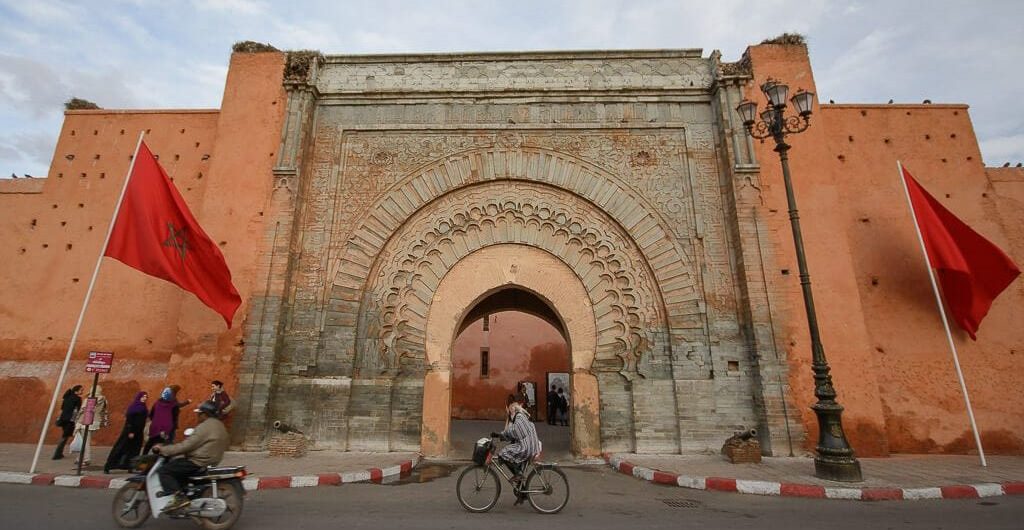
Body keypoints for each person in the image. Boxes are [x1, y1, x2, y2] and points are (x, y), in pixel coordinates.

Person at [152, 400, 230, 512]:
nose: (198, 416)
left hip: (198, 461)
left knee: (165, 470)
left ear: (205, 414)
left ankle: (179, 498)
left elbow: (186, 446)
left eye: (199, 413)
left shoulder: (205, 427)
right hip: (211, 460)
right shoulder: (219, 425)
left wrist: (164, 449)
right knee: (178, 466)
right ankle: (186, 494)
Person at [490, 394, 541, 505]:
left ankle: (518, 475)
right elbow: (514, 432)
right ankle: (521, 490)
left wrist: (502, 435)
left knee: (504, 453)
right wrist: (502, 436)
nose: (509, 409)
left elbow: (516, 431)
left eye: (509, 407)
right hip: (528, 444)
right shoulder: (519, 415)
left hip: (527, 446)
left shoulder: (519, 415)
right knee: (510, 455)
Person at [104, 391, 149, 473]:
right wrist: (131, 432)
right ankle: (109, 465)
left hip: (139, 432)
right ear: (139, 397)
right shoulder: (133, 407)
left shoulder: (144, 407)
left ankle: (130, 466)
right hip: (130, 432)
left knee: (134, 450)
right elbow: (130, 420)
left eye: (146, 397)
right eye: (143, 397)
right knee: (121, 448)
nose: (145, 398)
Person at [145, 386, 189, 454]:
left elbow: (151, 415)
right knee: (165, 445)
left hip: (155, 427)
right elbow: (174, 417)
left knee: (150, 442)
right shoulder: (173, 405)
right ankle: (161, 459)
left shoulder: (157, 403)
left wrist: (156, 421)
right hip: (166, 429)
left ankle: (143, 458)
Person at [74, 384, 109, 466]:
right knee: (85, 441)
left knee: (85, 441)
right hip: (96, 422)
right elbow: (104, 411)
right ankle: (79, 458)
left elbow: (83, 412)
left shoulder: (89, 399)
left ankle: (86, 459)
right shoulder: (104, 399)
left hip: (86, 421)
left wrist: (78, 424)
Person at [52, 385, 83, 460]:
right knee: (64, 436)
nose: (82, 391)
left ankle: (59, 453)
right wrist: (75, 420)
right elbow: (76, 410)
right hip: (70, 420)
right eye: (81, 390)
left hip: (63, 419)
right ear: (76, 391)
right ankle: (56, 454)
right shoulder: (78, 399)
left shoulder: (67, 397)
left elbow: (62, 409)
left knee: (65, 436)